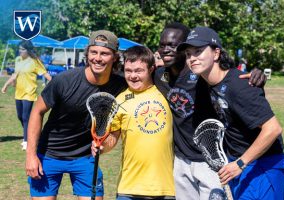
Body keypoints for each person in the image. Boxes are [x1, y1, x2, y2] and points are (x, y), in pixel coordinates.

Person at [154, 22, 267, 200]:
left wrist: (256, 75)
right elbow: (131, 75)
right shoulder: (159, 75)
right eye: (162, 45)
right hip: (181, 160)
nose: (166, 49)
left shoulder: (201, 73)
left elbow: (227, 77)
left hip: (212, 160)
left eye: (172, 45)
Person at [178, 26, 284, 200]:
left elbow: (273, 129)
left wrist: (240, 163)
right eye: (188, 54)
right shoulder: (205, 82)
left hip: (263, 166)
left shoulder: (239, 85)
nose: (192, 58)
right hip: (240, 166)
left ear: (216, 53)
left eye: (198, 51)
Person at [25, 30, 127, 200]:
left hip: (85, 158)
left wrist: (107, 143)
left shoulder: (121, 86)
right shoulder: (64, 81)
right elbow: (37, 111)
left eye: (105, 53)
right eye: (93, 52)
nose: (98, 58)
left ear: (115, 57)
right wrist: (30, 155)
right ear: (87, 53)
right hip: (48, 155)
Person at [93, 46, 175, 199]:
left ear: (151, 69)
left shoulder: (166, 94)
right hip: (129, 187)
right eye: (128, 71)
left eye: (138, 71)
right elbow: (113, 137)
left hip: (166, 187)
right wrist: (102, 147)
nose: (132, 76)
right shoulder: (119, 100)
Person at [1, 40, 52, 150]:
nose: (20, 51)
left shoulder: (35, 62)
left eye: (22, 49)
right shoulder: (18, 60)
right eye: (19, 49)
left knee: (25, 117)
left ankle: (26, 141)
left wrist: (54, 84)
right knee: (20, 116)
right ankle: (32, 134)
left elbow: (45, 74)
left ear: (28, 50)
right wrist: (6, 85)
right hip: (19, 92)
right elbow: (15, 75)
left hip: (29, 93)